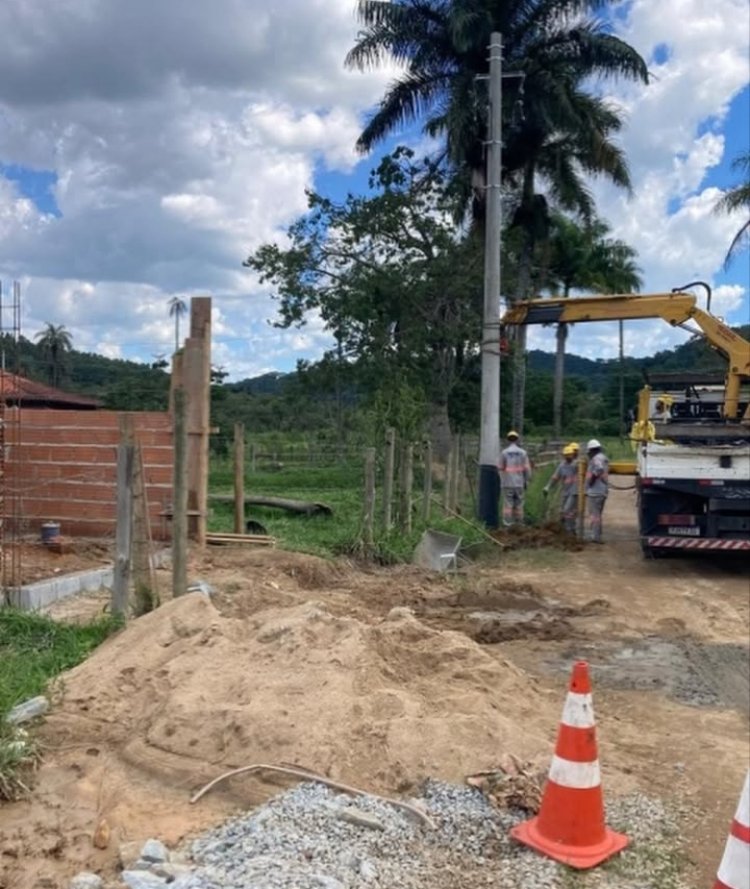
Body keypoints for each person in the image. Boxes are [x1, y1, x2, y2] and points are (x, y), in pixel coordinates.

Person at [498, 430, 532, 527]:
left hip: (507, 483)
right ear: (517, 439)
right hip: (519, 482)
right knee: (519, 504)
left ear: (508, 440)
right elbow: (527, 469)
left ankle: (507, 524)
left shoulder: (504, 453)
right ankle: (519, 523)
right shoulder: (523, 453)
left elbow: (500, 468)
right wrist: (527, 480)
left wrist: (502, 481)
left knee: (508, 504)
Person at [543, 444, 579, 533]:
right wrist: (548, 486)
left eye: (569, 455)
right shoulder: (562, 465)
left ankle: (569, 530)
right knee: (563, 511)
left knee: (567, 510)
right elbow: (555, 477)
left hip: (574, 491)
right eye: (566, 455)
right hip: (565, 491)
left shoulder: (577, 465)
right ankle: (565, 529)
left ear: (573, 454)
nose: (568, 457)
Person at [585, 439, 609, 543]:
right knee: (598, 514)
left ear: (592, 450)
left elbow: (599, 469)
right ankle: (597, 534)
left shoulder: (596, 459)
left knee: (594, 515)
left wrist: (591, 480)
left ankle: (595, 536)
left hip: (595, 491)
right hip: (602, 490)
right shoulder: (604, 458)